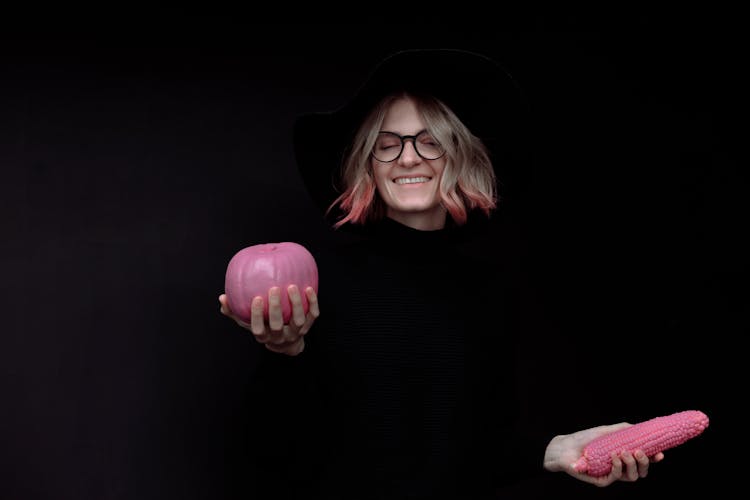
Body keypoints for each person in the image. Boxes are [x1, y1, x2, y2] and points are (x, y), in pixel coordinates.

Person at [218, 49, 665, 499]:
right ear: (368, 163)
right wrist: (285, 354)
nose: (408, 159)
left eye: (430, 140)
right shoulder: (314, 282)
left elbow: (481, 453)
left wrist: (555, 451)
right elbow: (272, 454)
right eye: (387, 143)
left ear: (460, 155)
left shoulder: (490, 292)